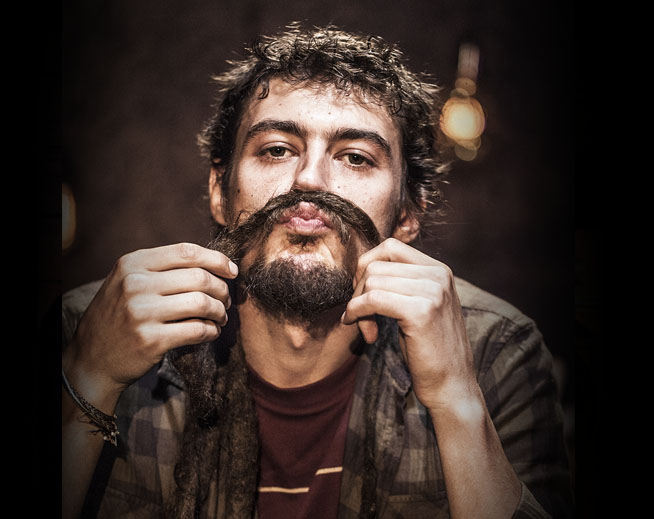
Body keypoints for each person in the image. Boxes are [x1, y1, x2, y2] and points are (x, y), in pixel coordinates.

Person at [61, 23, 572, 519]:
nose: (309, 179)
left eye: (356, 158)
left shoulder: (497, 352)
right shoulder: (94, 328)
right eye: (277, 149)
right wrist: (88, 379)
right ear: (219, 190)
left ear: (407, 213)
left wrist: (456, 398)